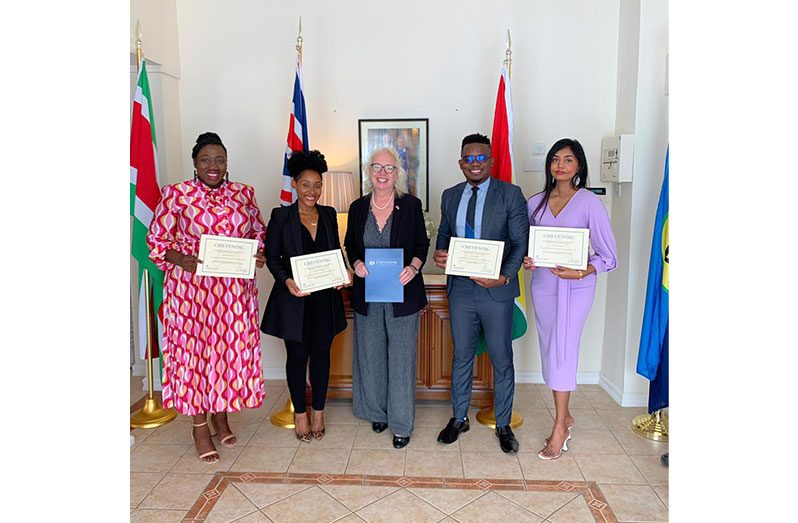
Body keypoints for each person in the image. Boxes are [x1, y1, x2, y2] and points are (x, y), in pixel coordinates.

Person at [147, 132, 267, 463]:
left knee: (227, 353)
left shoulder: (243, 193)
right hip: (191, 291)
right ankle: (200, 426)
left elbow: (258, 232)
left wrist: (258, 253)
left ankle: (221, 415)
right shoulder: (177, 195)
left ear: (227, 163)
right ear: (195, 163)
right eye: (206, 160)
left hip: (232, 293)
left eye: (220, 160)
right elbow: (155, 240)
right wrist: (178, 259)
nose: (213, 166)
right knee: (195, 355)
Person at [433, 133, 529, 453]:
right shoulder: (450, 195)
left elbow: (519, 242)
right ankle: (459, 417)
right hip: (460, 289)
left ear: (490, 161)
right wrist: (440, 254)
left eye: (480, 159)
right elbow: (444, 237)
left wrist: (503, 277)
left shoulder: (511, 195)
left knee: (501, 359)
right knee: (462, 355)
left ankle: (503, 424)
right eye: (468, 159)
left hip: (496, 291)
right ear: (461, 163)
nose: (474, 164)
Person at [524, 138, 618, 460]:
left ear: (579, 166)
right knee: (551, 348)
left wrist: (582, 271)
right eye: (555, 159)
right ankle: (566, 416)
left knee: (564, 350)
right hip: (543, 287)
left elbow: (609, 256)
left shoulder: (590, 203)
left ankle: (560, 425)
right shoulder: (534, 202)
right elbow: (527, 245)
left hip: (576, 290)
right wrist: (528, 259)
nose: (560, 165)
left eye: (568, 160)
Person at [344, 147, 429, 449]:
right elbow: (350, 245)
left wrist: (414, 267)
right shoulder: (357, 208)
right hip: (368, 296)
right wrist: (355, 263)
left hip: (403, 296)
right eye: (377, 167)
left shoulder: (411, 205)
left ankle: (401, 423)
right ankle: (377, 412)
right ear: (369, 171)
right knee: (371, 355)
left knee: (402, 360)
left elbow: (422, 244)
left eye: (389, 168)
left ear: (398, 174)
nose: (382, 173)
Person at [260, 150, 348, 443]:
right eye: (306, 184)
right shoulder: (281, 216)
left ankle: (319, 411)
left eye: (318, 185)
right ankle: (300, 412)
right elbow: (273, 257)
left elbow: (335, 250)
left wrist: (341, 273)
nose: (313, 191)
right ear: (295, 184)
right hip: (294, 299)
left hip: (325, 300)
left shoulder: (329, 214)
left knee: (322, 357)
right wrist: (286, 281)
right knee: (297, 357)